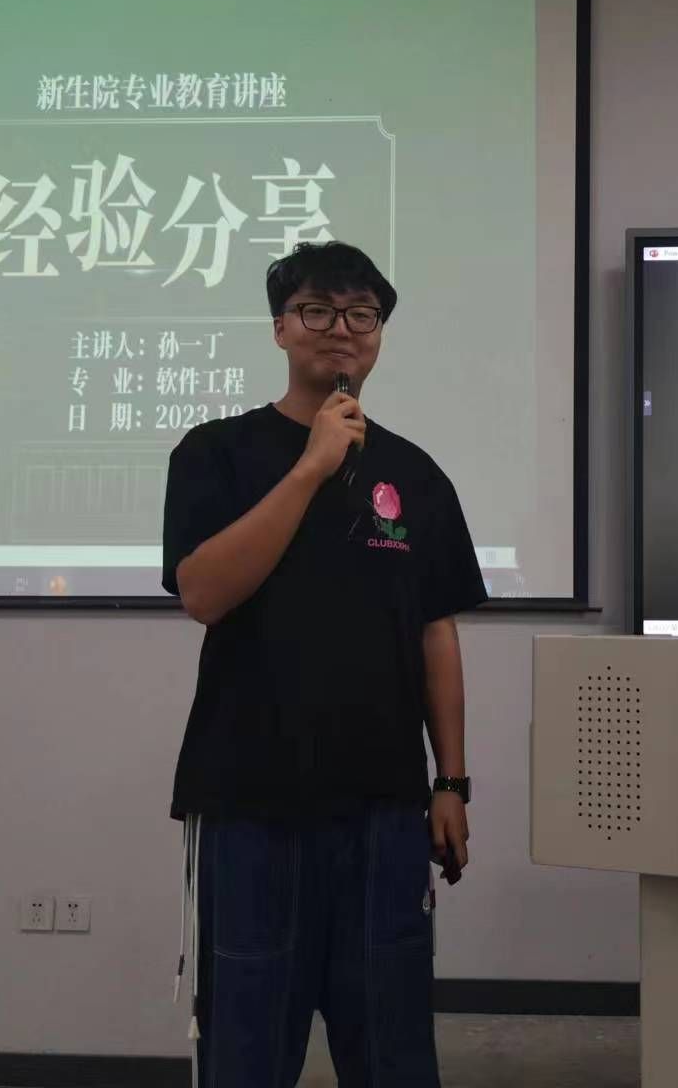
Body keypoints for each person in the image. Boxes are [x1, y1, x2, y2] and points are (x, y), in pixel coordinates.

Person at [162, 242, 486, 1087]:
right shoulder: (216, 452)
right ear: (281, 328)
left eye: (361, 315)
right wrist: (311, 467)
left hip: (383, 807)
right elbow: (203, 592)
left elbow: (436, 633)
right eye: (317, 310)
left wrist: (451, 782)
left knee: (391, 1048)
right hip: (250, 800)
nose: (341, 329)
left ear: (378, 334)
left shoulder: (416, 474)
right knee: (248, 1048)